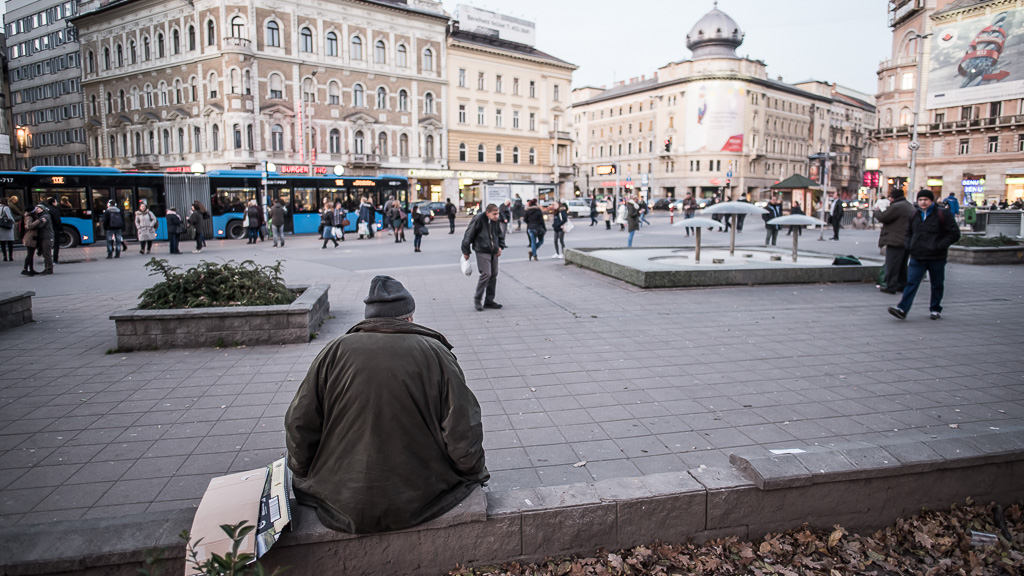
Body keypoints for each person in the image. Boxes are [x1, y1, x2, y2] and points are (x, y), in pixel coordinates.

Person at [285, 275, 488, 534]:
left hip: (338, 498)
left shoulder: (334, 351)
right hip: (422, 495)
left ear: (370, 318)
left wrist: (302, 470)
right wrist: (473, 472)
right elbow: (462, 429)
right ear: (409, 317)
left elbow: (299, 423)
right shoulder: (435, 353)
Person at [888, 190, 961, 321]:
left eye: (926, 199)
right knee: (911, 283)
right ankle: (902, 309)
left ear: (931, 201)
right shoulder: (914, 215)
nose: (923, 202)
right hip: (917, 256)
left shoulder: (942, 214)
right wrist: (909, 245)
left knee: (937, 284)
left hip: (936, 257)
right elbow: (909, 232)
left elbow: (954, 234)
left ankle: (935, 309)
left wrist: (939, 246)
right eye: (920, 199)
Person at [461, 203, 505, 311]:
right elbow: (468, 234)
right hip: (482, 250)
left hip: (493, 251)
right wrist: (466, 251)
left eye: (498, 214)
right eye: (494, 214)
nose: (496, 216)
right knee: (486, 273)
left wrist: (500, 246)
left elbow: (500, 234)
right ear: (487, 213)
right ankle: (477, 298)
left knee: (493, 274)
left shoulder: (495, 221)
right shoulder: (479, 219)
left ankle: (489, 301)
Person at [874, 188, 915, 294]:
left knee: (892, 264)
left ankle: (891, 286)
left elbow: (884, 217)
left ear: (892, 197)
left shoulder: (897, 206)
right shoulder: (908, 205)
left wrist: (877, 211)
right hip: (905, 240)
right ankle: (901, 285)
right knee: (902, 265)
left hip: (895, 240)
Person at [21, 206, 43, 276]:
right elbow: (29, 226)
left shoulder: (31, 216)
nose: (37, 209)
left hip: (31, 237)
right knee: (30, 254)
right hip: (30, 237)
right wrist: (39, 221)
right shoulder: (29, 217)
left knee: (31, 254)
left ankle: (31, 269)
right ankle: (25, 269)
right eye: (35, 209)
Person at [45, 197, 63, 264]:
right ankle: (55, 260)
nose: (56, 203)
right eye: (55, 202)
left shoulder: (46, 209)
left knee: (48, 245)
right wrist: (61, 228)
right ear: (53, 203)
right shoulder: (55, 210)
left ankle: (47, 260)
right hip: (55, 229)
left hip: (47, 229)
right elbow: (57, 220)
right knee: (56, 245)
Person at [0, 197, 15, 262]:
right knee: (9, 242)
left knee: (2, 243)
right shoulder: (6, 208)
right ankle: (10, 256)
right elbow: (9, 217)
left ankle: (4, 257)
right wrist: (13, 221)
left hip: (1, 226)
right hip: (7, 226)